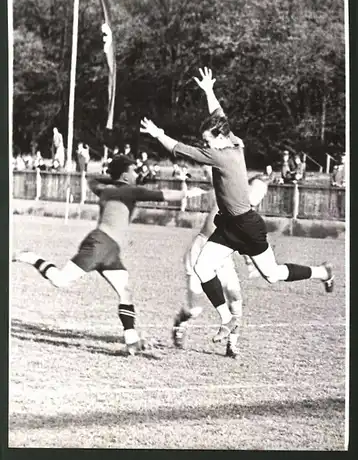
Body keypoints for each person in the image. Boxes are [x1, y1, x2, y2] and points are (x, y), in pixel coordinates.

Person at [140, 67, 334, 344]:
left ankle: (321, 272)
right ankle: (227, 320)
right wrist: (208, 91)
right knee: (203, 268)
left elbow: (183, 150)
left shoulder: (221, 156)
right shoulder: (232, 141)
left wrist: (159, 133)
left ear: (218, 139)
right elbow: (220, 115)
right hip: (229, 224)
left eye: (207, 140)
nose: (205, 144)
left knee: (272, 274)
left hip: (246, 225)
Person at [13, 155, 187, 355]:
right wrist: (189, 192)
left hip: (110, 249)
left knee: (125, 292)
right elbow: (164, 195)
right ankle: (29, 257)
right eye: (133, 170)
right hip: (100, 244)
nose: (137, 174)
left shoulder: (107, 189)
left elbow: (91, 179)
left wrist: (113, 178)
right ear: (124, 174)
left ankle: (132, 341)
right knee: (60, 280)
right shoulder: (129, 190)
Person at [172, 164, 273, 358]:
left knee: (235, 297)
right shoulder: (228, 197)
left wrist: (250, 262)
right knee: (196, 308)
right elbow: (214, 174)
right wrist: (205, 162)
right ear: (246, 189)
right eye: (257, 188)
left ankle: (232, 345)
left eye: (264, 191)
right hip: (200, 253)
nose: (260, 194)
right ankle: (181, 322)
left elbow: (245, 244)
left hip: (223, 259)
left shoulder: (250, 218)